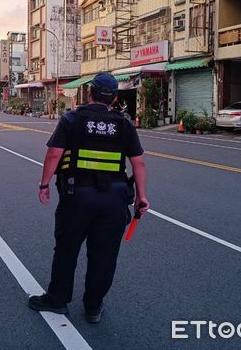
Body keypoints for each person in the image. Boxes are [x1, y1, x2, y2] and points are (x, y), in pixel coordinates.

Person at [29, 72, 149, 323]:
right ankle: (93, 307)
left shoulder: (72, 119)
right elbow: (138, 163)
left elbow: (53, 155)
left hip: (76, 197)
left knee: (66, 249)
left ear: (89, 93)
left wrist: (44, 184)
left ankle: (58, 300)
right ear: (114, 98)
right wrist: (141, 197)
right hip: (114, 200)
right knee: (104, 254)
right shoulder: (124, 123)